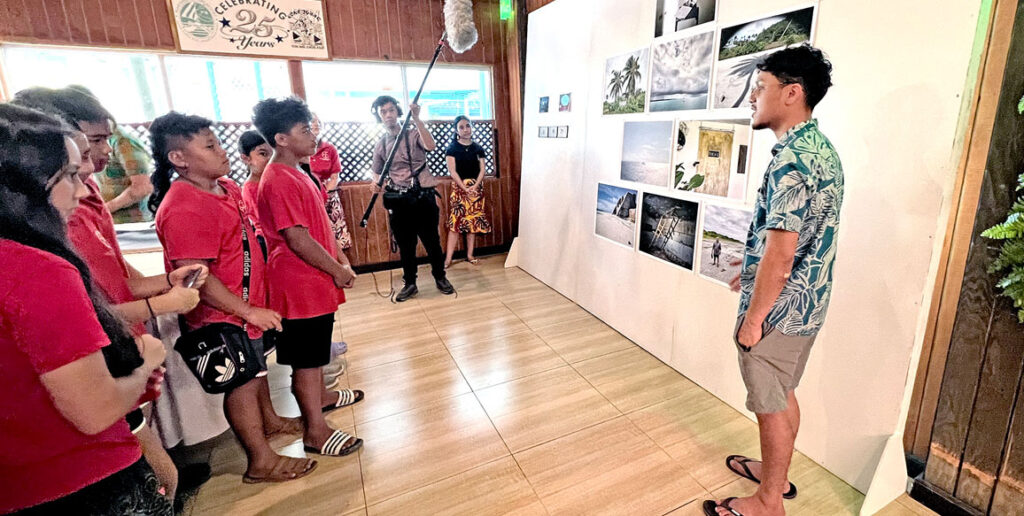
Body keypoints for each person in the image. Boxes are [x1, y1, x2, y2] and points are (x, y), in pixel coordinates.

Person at [11, 86, 209, 504]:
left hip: (114, 364)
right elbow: (94, 405)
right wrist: (163, 312)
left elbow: (117, 278)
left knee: (151, 452)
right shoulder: (42, 257)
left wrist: (167, 281)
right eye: (80, 157)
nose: (95, 163)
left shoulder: (87, 201)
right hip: (77, 460)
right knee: (157, 471)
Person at [706, 45, 841, 516]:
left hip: (779, 313)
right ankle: (775, 476)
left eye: (760, 87)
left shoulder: (791, 160)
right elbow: (797, 240)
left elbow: (783, 256)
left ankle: (768, 502)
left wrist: (754, 318)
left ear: (792, 93)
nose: (751, 97)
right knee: (782, 393)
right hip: (808, 303)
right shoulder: (820, 150)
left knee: (770, 402)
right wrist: (752, 270)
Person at [150, 112, 315, 483]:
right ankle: (260, 461)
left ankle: (270, 421)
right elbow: (197, 277)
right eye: (210, 146)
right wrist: (247, 311)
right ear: (178, 158)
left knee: (256, 370)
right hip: (222, 316)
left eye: (218, 143)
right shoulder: (183, 206)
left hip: (248, 305)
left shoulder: (225, 187)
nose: (222, 151)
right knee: (241, 384)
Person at [252, 97, 364, 457]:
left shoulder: (297, 172)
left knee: (315, 354)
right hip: (298, 284)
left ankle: (322, 399)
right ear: (281, 138)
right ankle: (315, 431)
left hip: (314, 280)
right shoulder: (278, 179)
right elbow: (297, 238)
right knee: (306, 360)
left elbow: (320, 226)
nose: (313, 136)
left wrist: (340, 260)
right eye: (305, 130)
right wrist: (337, 270)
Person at [370, 95, 454, 301]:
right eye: (383, 112)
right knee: (406, 245)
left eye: (391, 110)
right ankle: (410, 283)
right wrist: (375, 183)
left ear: (398, 112)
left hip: (423, 197)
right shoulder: (381, 144)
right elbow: (376, 173)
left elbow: (431, 145)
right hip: (399, 201)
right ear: (379, 117)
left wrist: (416, 118)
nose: (388, 115)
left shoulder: (413, 134)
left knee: (432, 241)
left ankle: (440, 277)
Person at [443, 115, 492, 268]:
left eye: (468, 126)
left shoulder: (478, 148)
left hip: (476, 189)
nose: (465, 129)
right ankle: (448, 259)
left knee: (473, 222)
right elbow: (452, 171)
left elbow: (482, 169)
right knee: (455, 224)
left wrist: (475, 186)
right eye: (461, 127)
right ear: (456, 130)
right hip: (459, 189)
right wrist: (464, 188)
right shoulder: (452, 148)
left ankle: (470, 255)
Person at [239, 130, 272, 258]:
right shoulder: (250, 188)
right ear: (246, 158)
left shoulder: (271, 180)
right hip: (268, 242)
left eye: (272, 153)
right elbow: (266, 221)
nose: (270, 159)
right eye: (263, 154)